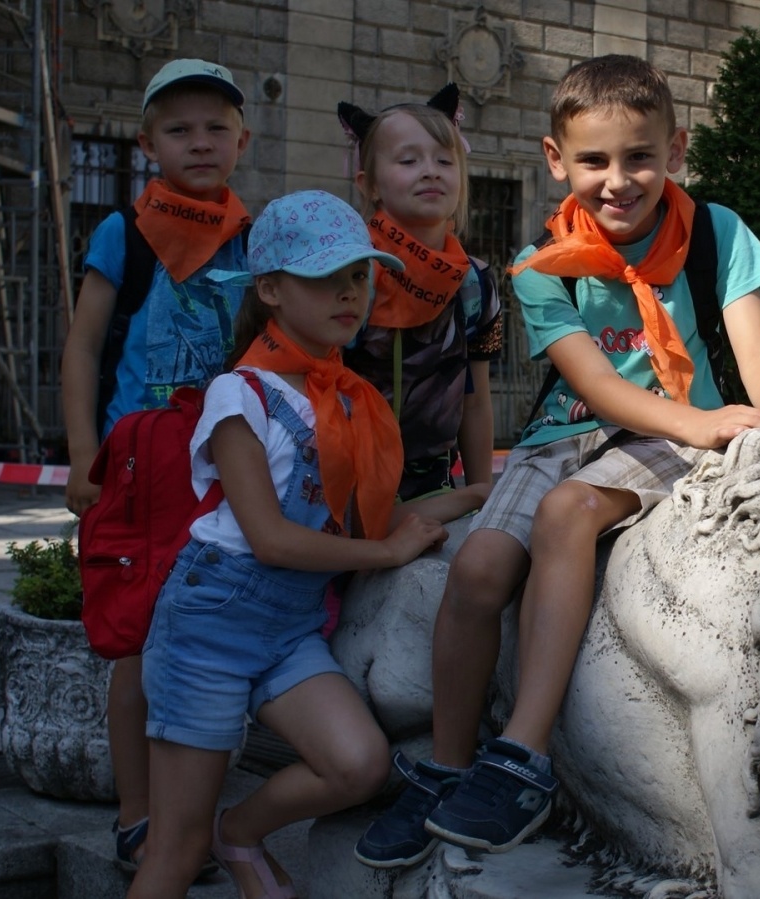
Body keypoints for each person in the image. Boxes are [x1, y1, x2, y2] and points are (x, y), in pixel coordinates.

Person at [355, 54, 760, 869]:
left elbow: (757, 352)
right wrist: (700, 421)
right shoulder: (538, 265)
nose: (618, 179)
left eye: (639, 156)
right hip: (578, 428)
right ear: (555, 160)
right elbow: (596, 387)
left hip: (671, 433)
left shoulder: (718, 232)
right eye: (594, 160)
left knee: (570, 512)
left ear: (674, 152)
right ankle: (449, 764)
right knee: (479, 568)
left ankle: (521, 756)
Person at [126, 190, 482, 899]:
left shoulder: (350, 400)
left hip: (290, 627)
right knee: (173, 846)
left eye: (358, 276)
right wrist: (387, 554)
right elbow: (272, 537)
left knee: (359, 764)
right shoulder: (239, 395)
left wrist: (480, 495)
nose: (349, 293)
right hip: (211, 620)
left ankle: (243, 829)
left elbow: (371, 521)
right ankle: (213, 836)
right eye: (326, 278)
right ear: (270, 291)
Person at [59, 57, 252, 877]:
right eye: (179, 129)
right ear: (146, 144)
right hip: (139, 465)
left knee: (211, 636)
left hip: (226, 462)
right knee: (138, 642)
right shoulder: (123, 233)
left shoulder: (254, 233)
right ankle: (140, 816)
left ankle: (193, 813)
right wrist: (80, 459)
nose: (199, 143)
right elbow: (82, 348)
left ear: (242, 140)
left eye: (215, 128)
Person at [337, 84, 504, 501]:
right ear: (369, 184)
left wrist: (481, 493)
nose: (430, 170)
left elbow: (477, 401)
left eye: (444, 160)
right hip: (347, 483)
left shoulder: (476, 284)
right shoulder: (351, 275)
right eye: (409, 160)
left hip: (436, 486)